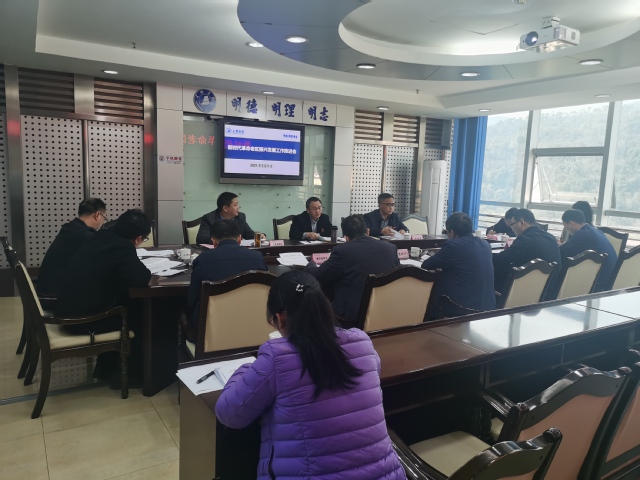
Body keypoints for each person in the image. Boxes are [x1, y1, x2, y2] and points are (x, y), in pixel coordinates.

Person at [215, 270, 405, 480]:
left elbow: (229, 414)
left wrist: (244, 369)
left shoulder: (276, 356)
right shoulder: (362, 342)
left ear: (279, 319)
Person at [55, 209, 152, 384]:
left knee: (130, 303)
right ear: (138, 239)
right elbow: (140, 278)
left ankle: (106, 367)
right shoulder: (122, 246)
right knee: (145, 314)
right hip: (82, 321)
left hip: (66, 309)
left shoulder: (103, 235)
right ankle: (134, 374)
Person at [305, 214, 399, 324]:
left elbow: (319, 276)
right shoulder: (390, 248)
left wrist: (311, 264)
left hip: (351, 316)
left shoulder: (342, 251)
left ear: (346, 237)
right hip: (385, 311)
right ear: (367, 231)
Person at [187, 219, 268, 331]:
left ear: (214, 241)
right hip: (252, 323)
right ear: (239, 239)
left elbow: (192, 297)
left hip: (212, 328)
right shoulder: (257, 257)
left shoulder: (203, 259)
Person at [422, 212, 495, 318]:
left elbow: (426, 265)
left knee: (432, 294)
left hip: (462, 307)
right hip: (487, 306)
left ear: (452, 232)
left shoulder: (453, 245)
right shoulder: (485, 244)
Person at [37, 198, 108, 297]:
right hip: (58, 297)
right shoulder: (85, 236)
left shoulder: (71, 229)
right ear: (97, 215)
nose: (103, 222)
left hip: (49, 291)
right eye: (104, 218)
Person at [492, 208, 561, 296]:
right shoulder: (551, 237)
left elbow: (501, 259)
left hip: (518, 292)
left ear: (521, 222)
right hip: (545, 292)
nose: (512, 229)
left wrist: (485, 255)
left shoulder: (524, 240)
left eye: (512, 225)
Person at [560, 209, 617, 292]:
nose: (566, 230)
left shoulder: (582, 235)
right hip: (611, 278)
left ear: (572, 224)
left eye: (565, 227)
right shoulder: (596, 231)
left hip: (599, 283)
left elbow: (561, 252)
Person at [196, 192, 260, 244]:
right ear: (225, 208)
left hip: (235, 250)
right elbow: (201, 239)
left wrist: (260, 236)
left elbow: (249, 234)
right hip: (217, 251)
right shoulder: (209, 218)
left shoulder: (240, 217)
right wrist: (223, 240)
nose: (238, 207)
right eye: (235, 205)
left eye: (237, 204)